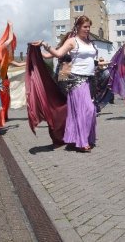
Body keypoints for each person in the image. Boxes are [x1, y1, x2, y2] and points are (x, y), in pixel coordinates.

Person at [39, 15, 97, 152]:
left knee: (87, 111)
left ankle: (80, 138)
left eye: (89, 26)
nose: (87, 29)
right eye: (85, 27)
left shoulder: (89, 42)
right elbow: (58, 53)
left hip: (89, 80)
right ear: (77, 27)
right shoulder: (72, 41)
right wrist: (44, 45)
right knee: (88, 110)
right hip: (76, 80)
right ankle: (82, 142)